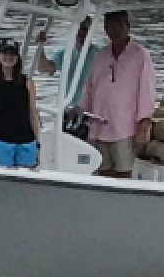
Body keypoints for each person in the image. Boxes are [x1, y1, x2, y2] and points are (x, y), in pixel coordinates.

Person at [79, 10, 156, 178]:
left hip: (125, 128)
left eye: (118, 25)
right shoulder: (100, 55)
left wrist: (143, 127)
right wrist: (79, 109)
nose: (114, 30)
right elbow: (89, 87)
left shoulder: (140, 55)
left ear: (127, 27)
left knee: (124, 173)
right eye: (109, 26)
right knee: (102, 171)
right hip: (99, 125)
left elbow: (147, 92)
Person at [0, 39, 41, 169]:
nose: (9, 57)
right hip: (1, 142)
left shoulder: (28, 83)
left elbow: (33, 115)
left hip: (27, 142)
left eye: (12, 54)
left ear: (17, 58)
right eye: (5, 53)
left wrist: (38, 146)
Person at [35, 15, 98, 108]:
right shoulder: (64, 53)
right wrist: (40, 46)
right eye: (78, 28)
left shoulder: (99, 53)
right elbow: (43, 68)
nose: (80, 32)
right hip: (68, 110)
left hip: (90, 111)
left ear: (90, 31)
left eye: (84, 29)